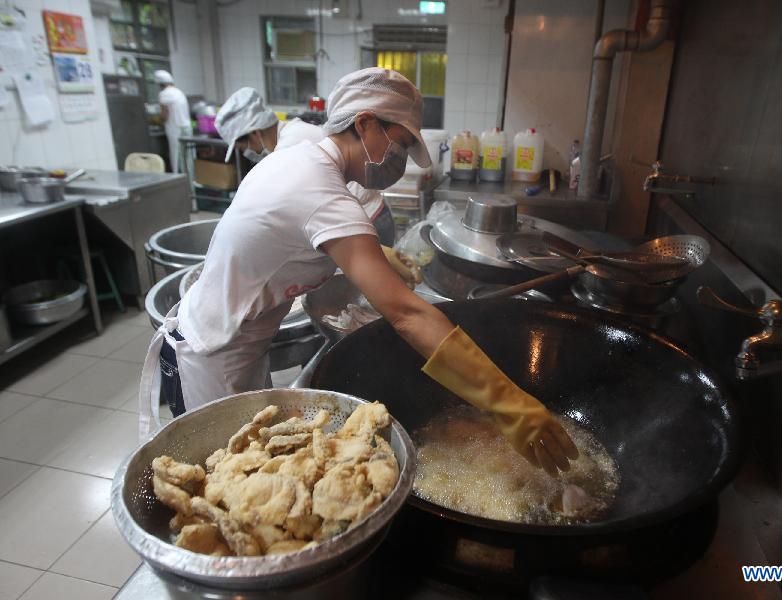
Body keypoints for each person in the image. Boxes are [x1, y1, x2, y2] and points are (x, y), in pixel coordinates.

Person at [138, 68, 577, 476]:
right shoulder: (319, 188)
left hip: (239, 344)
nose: (400, 157)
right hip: (214, 355)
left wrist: (377, 252)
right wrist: (509, 404)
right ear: (365, 124)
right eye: (400, 141)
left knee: (254, 466)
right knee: (235, 483)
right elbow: (409, 314)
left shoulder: (304, 160)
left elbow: (297, 238)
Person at [214, 87, 396, 246]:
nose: (247, 152)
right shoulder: (292, 134)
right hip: (365, 217)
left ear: (253, 133)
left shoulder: (291, 146)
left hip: (368, 220)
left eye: (242, 146)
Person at [154, 70, 191, 172]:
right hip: (186, 127)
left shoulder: (164, 94)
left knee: (176, 156)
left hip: (175, 129)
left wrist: (155, 120)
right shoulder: (179, 92)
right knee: (188, 157)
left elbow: (164, 115)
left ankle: (178, 180)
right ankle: (190, 181)